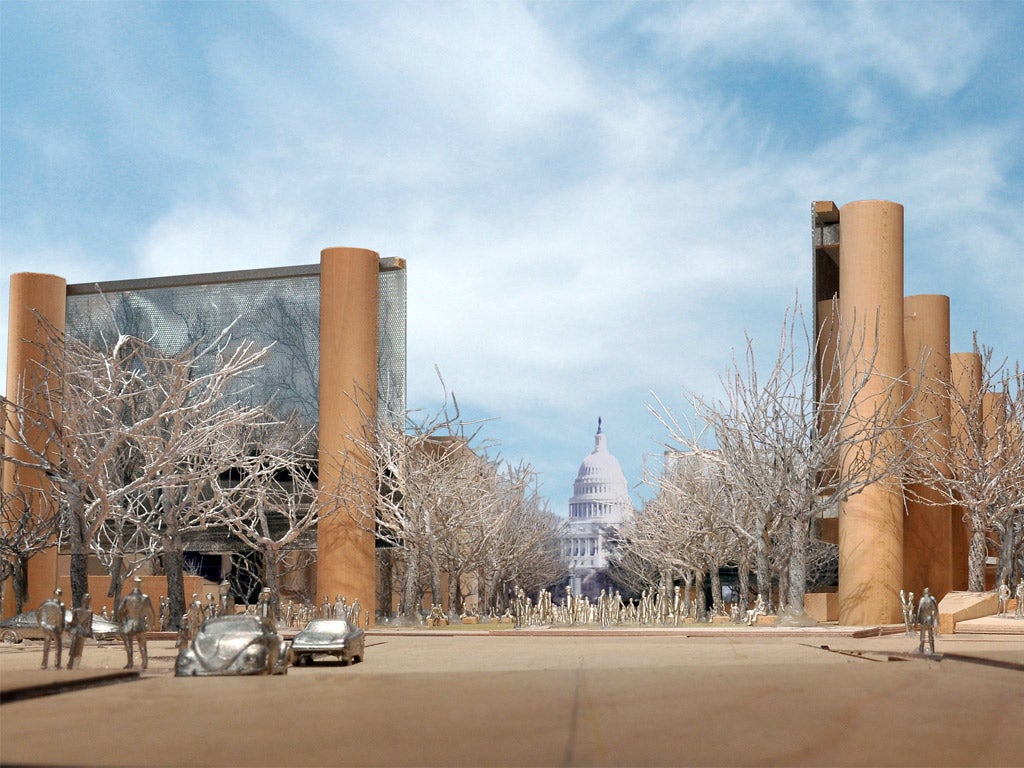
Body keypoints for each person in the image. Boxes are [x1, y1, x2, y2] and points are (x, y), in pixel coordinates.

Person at [116, 577, 156, 669]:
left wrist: (123, 619)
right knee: (142, 643)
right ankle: (144, 661)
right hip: (140, 624)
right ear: (141, 585)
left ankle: (130, 663)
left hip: (129, 623)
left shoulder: (127, 598)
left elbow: (119, 611)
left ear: (132, 585)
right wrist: (150, 624)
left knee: (128, 644)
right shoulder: (145, 598)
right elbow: (150, 613)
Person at [37, 588, 66, 670]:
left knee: (56, 646)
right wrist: (42, 625)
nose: (58, 595)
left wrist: (61, 628)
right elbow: (39, 613)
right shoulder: (50, 603)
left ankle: (55, 664)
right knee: (49, 646)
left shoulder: (61, 605)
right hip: (50, 627)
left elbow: (62, 618)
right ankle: (45, 664)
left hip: (54, 628)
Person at [67, 593, 94, 670]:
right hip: (82, 632)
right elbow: (89, 625)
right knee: (78, 649)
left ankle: (71, 664)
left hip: (77, 631)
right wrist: (89, 633)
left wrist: (69, 626)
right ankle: (74, 665)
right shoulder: (89, 612)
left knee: (75, 648)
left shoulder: (78, 611)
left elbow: (73, 622)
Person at [916, 587, 939, 655]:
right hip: (929, 619)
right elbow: (935, 610)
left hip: (923, 619)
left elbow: (918, 610)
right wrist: (935, 619)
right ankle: (932, 649)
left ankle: (922, 649)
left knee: (923, 634)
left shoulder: (922, 600)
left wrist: (916, 621)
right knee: (930, 634)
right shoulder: (931, 600)